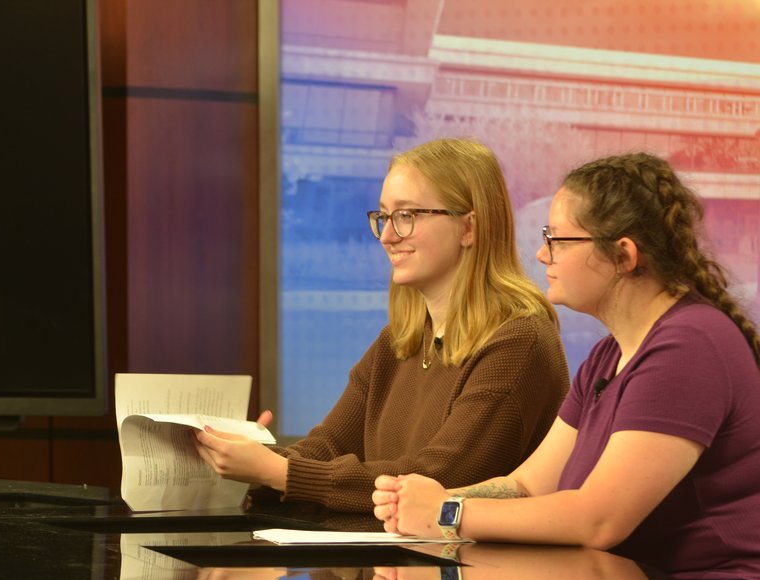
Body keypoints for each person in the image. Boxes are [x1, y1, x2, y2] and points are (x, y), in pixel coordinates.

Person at [372, 152, 760, 580]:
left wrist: (446, 513)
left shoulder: (689, 346)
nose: (543, 253)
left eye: (558, 238)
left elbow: (598, 518)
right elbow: (531, 482)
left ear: (624, 255)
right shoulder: (608, 354)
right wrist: (426, 502)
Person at [194, 137, 569, 512]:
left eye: (407, 216)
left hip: (473, 569)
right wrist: (253, 460)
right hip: (393, 564)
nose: (388, 236)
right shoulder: (398, 340)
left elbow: (439, 479)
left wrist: (278, 471)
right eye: (384, 217)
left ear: (468, 228)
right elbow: (328, 446)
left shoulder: (521, 341)